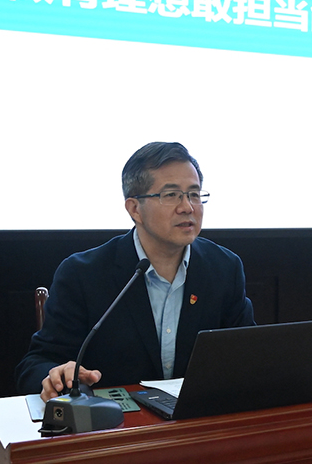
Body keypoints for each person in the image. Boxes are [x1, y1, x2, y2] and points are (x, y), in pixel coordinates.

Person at [15, 142, 254, 401]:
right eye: (171, 195)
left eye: (194, 194)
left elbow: (248, 355)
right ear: (134, 209)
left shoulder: (224, 268)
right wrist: (55, 375)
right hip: (116, 421)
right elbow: (38, 363)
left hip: (197, 420)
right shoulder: (83, 274)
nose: (187, 207)